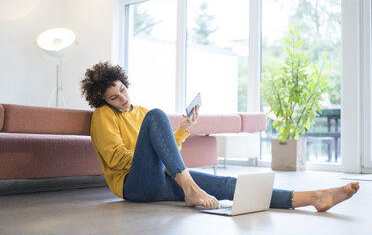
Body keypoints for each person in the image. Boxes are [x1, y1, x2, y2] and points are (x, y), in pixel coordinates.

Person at [81, 61, 360, 211]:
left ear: (125, 83)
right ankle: (190, 187)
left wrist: (185, 128)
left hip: (163, 179)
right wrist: (158, 161)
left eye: (122, 89)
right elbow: (117, 158)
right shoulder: (103, 116)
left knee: (227, 185)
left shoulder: (138, 110)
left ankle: (313, 197)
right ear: (103, 100)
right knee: (158, 115)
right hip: (135, 186)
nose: (122, 98)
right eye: (113, 97)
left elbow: (168, 149)